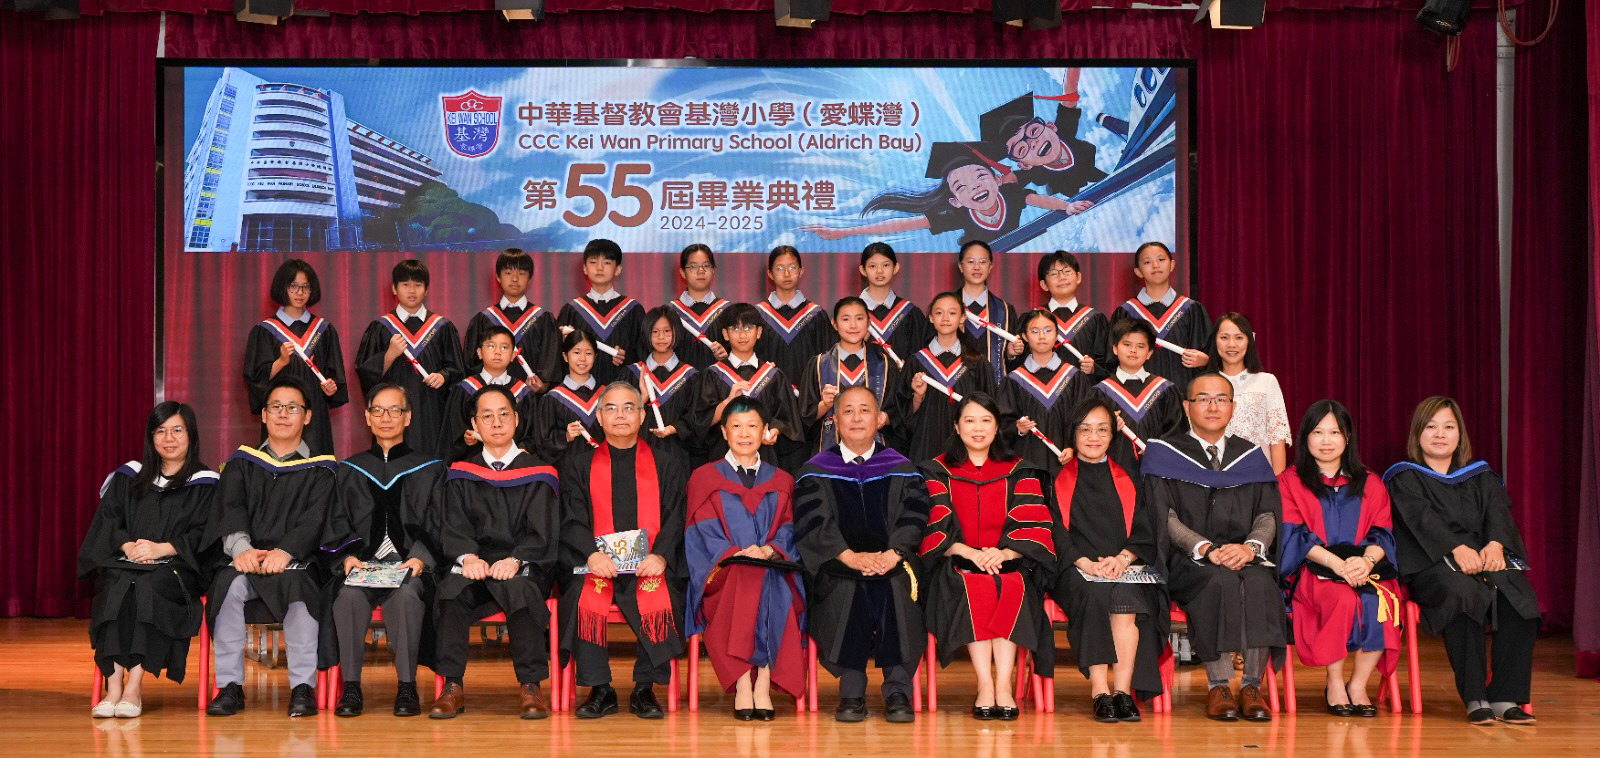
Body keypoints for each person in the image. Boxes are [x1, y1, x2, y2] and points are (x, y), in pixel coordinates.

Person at [1383, 396, 1539, 725]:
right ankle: (1475, 696)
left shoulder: (1481, 476)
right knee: (1463, 595)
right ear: (1418, 433)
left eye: (1448, 427)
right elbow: (1421, 521)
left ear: (1459, 434)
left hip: (1483, 559)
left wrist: (1495, 544)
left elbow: (1498, 512)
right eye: (1431, 427)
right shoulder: (1404, 478)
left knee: (1519, 598)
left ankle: (1505, 696)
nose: (1440, 434)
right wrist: (1454, 548)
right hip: (1433, 566)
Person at [1143, 373, 1284, 722]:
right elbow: (1165, 517)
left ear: (1233, 407)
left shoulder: (1250, 456)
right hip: (1188, 560)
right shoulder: (1164, 454)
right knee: (1217, 580)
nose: (1212, 406)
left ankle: (1251, 687)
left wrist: (1251, 548)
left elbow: (1267, 513)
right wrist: (1205, 548)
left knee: (1260, 583)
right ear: (1186, 406)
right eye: (1203, 399)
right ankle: (1218, 685)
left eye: (1221, 399)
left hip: (1244, 555)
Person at [793, 385, 931, 724]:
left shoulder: (902, 467)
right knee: (847, 589)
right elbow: (814, 522)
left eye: (865, 410)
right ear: (835, 420)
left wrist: (894, 553)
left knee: (896, 588)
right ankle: (851, 690)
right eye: (848, 411)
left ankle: (897, 691)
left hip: (893, 563)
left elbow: (914, 514)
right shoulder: (816, 470)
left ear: (880, 419)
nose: (856, 418)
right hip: (838, 565)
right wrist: (848, 556)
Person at [203, 376, 338, 718]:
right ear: (263, 414)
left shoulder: (321, 469)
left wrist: (286, 551)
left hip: (296, 562)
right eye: (276, 407)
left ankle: (303, 687)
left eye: (292, 407)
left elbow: (316, 519)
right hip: (247, 560)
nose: (283, 414)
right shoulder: (242, 463)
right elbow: (230, 508)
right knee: (226, 585)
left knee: (301, 588)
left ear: (307, 416)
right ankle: (230, 686)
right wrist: (242, 550)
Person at [918, 393, 1056, 721]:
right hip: (955, 563)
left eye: (986, 421)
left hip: (1010, 560)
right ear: (956, 426)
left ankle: (1003, 685)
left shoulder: (1020, 471)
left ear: (996, 428)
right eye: (969, 420)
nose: (977, 428)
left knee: (1011, 584)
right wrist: (967, 552)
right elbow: (932, 527)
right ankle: (984, 684)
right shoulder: (936, 471)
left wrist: (1005, 552)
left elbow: (1033, 522)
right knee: (976, 586)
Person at [429, 384, 561, 720]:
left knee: (521, 590)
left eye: (504, 414)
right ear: (474, 425)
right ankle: (452, 685)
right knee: (450, 592)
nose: (497, 422)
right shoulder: (461, 473)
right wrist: (467, 557)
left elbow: (543, 531)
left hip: (519, 565)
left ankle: (530, 685)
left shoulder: (539, 473)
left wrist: (516, 559)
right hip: (475, 566)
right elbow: (453, 526)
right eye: (487, 416)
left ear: (516, 419)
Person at [558, 382, 690, 720]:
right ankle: (600, 688)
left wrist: (660, 555)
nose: (620, 415)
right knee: (580, 592)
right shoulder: (578, 465)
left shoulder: (667, 463)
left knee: (665, 592)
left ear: (642, 416)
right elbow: (571, 518)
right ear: (600, 417)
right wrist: (591, 555)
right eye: (612, 408)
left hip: (649, 563)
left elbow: (677, 516)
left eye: (629, 407)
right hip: (598, 564)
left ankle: (645, 688)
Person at [80, 402, 216, 718]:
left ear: (191, 435)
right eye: (160, 431)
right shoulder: (130, 477)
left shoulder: (206, 483)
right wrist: (127, 546)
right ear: (151, 436)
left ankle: (134, 687)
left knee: (148, 584)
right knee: (116, 583)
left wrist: (162, 549)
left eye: (177, 430)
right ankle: (114, 686)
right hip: (126, 561)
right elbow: (109, 520)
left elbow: (206, 534)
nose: (169, 438)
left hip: (175, 567)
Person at [324, 383, 446, 717]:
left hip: (408, 566)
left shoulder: (430, 469)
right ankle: (351, 687)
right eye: (378, 410)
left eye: (395, 410)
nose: (386, 417)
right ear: (367, 417)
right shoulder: (349, 470)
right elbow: (336, 520)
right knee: (348, 597)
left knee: (406, 597)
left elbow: (438, 520)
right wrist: (347, 556)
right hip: (363, 565)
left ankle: (407, 686)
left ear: (408, 417)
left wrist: (420, 558)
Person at [684, 397, 808, 720]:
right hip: (722, 573)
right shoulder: (704, 478)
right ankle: (743, 682)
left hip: (773, 566)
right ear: (724, 432)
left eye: (752, 426)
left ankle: (762, 683)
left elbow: (789, 528)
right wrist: (735, 554)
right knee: (747, 573)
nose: (744, 433)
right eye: (736, 426)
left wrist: (768, 550)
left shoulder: (782, 481)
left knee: (767, 575)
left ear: (765, 431)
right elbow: (702, 533)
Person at [1278, 400, 1400, 718]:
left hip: (1364, 568)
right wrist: (1337, 565)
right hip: (1312, 568)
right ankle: (1334, 682)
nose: (1327, 440)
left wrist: (1367, 562)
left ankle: (1357, 685)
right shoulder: (1289, 481)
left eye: (1335, 432)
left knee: (1379, 602)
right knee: (1342, 598)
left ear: (1348, 438)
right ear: (1305, 437)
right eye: (1318, 432)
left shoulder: (1370, 482)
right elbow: (1294, 535)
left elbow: (1382, 532)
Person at [1053, 397, 1168, 723]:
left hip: (1125, 566)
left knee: (1124, 597)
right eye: (1085, 429)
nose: (1094, 436)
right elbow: (1055, 533)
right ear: (1073, 434)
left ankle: (1122, 692)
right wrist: (1086, 564)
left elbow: (1146, 529)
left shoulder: (1131, 476)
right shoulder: (1056, 478)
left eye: (1102, 429)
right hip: (1075, 569)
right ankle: (1100, 692)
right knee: (1094, 592)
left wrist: (1122, 558)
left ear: (1113, 434)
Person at [355, 258, 465, 458]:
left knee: (430, 463)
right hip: (392, 412)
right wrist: (389, 355)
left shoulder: (441, 327)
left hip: (431, 412)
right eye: (405, 285)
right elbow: (366, 374)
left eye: (418, 285)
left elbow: (457, 369)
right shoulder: (381, 327)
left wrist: (443, 376)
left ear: (427, 290)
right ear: (394, 289)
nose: (412, 291)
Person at [243, 259, 348, 456]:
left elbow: (335, 378)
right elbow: (255, 379)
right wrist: (281, 361)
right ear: (282, 287)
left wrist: (331, 388)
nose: (300, 293)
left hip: (314, 412)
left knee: (315, 462)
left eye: (305, 287)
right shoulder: (265, 331)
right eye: (293, 286)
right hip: (280, 414)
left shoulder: (323, 330)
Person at [690, 302, 802, 467]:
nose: (742, 335)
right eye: (735, 328)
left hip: (764, 458)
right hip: (723, 458)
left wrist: (774, 431)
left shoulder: (773, 375)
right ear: (725, 334)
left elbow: (788, 419)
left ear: (759, 332)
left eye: (748, 328)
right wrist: (728, 401)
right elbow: (700, 422)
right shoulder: (712, 375)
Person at [798, 297, 908, 454]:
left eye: (859, 318)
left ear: (869, 323)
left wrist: (884, 417)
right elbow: (804, 418)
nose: (853, 325)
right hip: (829, 453)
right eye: (845, 319)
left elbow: (899, 412)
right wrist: (825, 405)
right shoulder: (818, 365)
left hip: (876, 452)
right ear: (834, 324)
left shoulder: (884, 364)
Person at [978, 71, 1109, 199]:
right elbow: (1015, 178)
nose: (1033, 143)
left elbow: (1069, 93)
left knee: (1093, 173)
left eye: (1033, 131)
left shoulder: (1064, 130)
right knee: (1065, 188)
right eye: (1021, 149)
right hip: (1065, 186)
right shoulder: (1037, 172)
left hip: (1084, 163)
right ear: (1025, 165)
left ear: (1051, 127)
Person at [905, 292, 996, 465]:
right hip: (927, 444)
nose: (945, 318)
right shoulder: (917, 362)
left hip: (967, 447)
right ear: (931, 318)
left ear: (962, 317)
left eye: (952, 313)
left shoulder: (976, 362)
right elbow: (904, 417)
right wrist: (918, 396)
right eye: (939, 313)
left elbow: (989, 408)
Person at [999, 308, 1094, 474]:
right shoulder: (1014, 380)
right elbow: (1001, 425)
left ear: (1057, 335)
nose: (1042, 336)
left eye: (1048, 330)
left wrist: (1072, 447)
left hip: (1067, 463)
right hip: (1027, 465)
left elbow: (1084, 420)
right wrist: (1018, 428)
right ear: (1025, 336)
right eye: (1035, 331)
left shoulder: (1073, 377)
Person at [1109, 242, 1210, 392]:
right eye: (1147, 262)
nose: (1155, 265)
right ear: (1138, 272)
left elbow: (1209, 352)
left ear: (1172, 265)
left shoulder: (1191, 310)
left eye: (1161, 260)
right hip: (1137, 395)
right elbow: (1112, 360)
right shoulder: (1126, 312)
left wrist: (1205, 360)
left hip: (1182, 394)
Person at [460, 248, 561, 391]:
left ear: (530, 278)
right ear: (498, 277)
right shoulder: (483, 319)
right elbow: (471, 363)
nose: (515, 279)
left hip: (531, 396)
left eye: (521, 273)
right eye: (508, 273)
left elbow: (550, 359)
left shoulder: (542, 319)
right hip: (491, 396)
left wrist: (543, 384)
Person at [1094, 319, 1183, 476]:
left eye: (1141, 346)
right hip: (1112, 474)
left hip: (1156, 473)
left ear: (1149, 353)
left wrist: (1158, 448)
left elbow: (1177, 432)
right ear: (1115, 348)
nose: (1133, 350)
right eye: (1127, 344)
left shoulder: (1164, 389)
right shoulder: (1100, 392)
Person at [439, 326, 539, 460]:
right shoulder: (464, 390)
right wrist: (465, 438)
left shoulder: (523, 392)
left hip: (514, 463)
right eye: (491, 346)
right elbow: (453, 432)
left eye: (504, 347)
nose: (497, 352)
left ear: (513, 355)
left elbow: (532, 433)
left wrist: (523, 448)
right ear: (479, 353)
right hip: (475, 462)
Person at [1209, 313, 1291, 474]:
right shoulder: (1204, 384)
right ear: (1215, 341)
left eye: (1239, 337)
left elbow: (1277, 439)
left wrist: (1277, 483)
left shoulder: (1266, 381)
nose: (1231, 344)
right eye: (1224, 337)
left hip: (1258, 476)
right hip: (1215, 477)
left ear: (1249, 341)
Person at [556, 238, 645, 386]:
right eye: (593, 262)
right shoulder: (572, 310)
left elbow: (644, 352)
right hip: (581, 391)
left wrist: (626, 356)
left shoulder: (632, 310)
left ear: (618, 269)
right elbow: (559, 357)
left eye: (607, 262)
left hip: (621, 389)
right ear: (585, 268)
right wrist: (563, 341)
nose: (599, 267)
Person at [628, 305, 702, 463]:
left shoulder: (690, 376)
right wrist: (642, 398)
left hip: (677, 454)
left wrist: (674, 428)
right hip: (637, 455)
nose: (661, 337)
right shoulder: (632, 373)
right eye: (654, 332)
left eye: (667, 331)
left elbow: (697, 415)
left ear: (677, 332)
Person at [755, 245, 836, 385]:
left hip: (809, 394)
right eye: (779, 268)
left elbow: (827, 362)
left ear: (801, 271)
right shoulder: (758, 315)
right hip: (769, 392)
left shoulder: (816, 315)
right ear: (770, 274)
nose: (786, 274)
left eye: (792, 267)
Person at [956, 240, 1026, 384]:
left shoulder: (1004, 310)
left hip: (995, 390)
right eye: (970, 261)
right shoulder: (947, 308)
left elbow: (1015, 364)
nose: (976, 267)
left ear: (990, 266)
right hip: (956, 387)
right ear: (960, 266)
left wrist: (1011, 354)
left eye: (982, 262)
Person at [857, 242, 933, 367]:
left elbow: (920, 359)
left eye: (886, 265)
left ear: (896, 268)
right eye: (872, 266)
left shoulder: (910, 313)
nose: (879, 271)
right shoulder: (850, 313)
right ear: (863, 270)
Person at [1038, 250, 1109, 377]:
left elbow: (1106, 364)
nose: (1062, 277)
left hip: (1085, 388)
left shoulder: (1094, 319)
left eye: (1067, 271)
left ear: (1078, 277)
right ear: (1044, 284)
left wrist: (1095, 369)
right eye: (1054, 273)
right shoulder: (1034, 319)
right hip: (1043, 387)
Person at [534, 329, 602, 462]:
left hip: (603, 467)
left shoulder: (607, 395)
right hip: (567, 469)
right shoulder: (553, 398)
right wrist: (565, 437)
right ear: (565, 356)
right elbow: (542, 443)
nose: (582, 358)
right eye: (576, 352)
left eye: (588, 353)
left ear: (595, 356)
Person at [669, 243, 733, 370]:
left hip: (718, 380)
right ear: (683, 272)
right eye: (693, 266)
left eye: (706, 265)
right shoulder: (670, 313)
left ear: (713, 270)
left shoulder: (728, 311)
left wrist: (727, 357)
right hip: (681, 381)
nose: (701, 271)